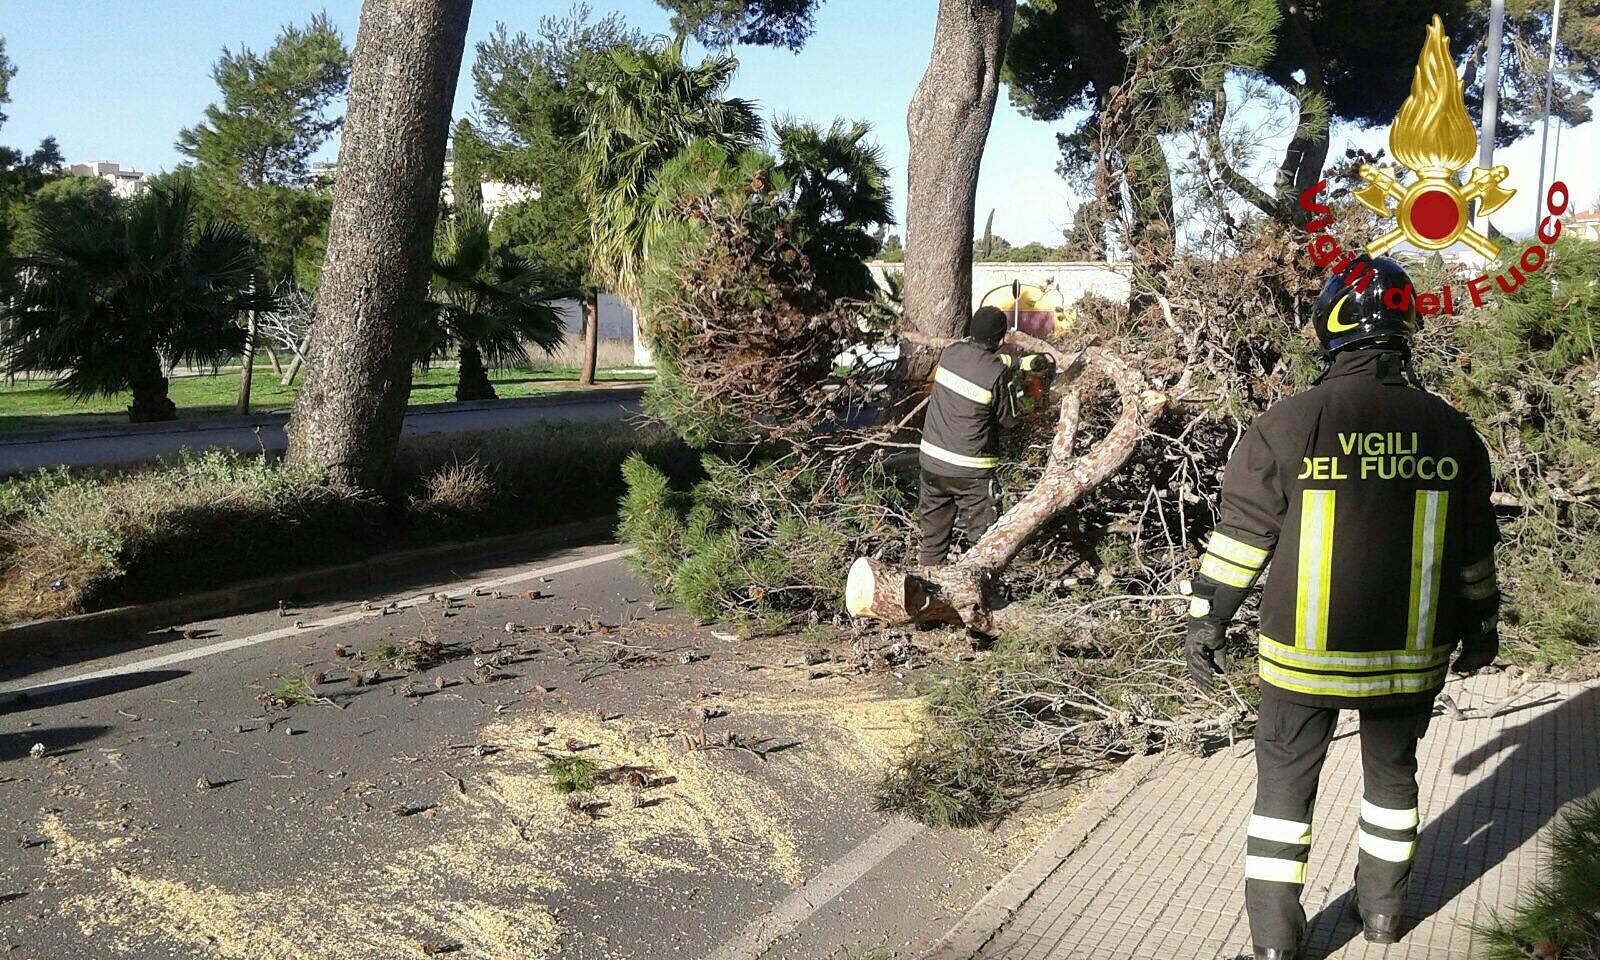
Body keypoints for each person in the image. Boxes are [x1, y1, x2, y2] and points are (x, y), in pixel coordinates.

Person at [1183, 255, 1501, 959]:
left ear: (1330, 325)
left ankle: (1274, 941)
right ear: (1406, 328)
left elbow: (1242, 538)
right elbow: (1475, 549)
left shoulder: (1288, 423)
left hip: (1302, 659)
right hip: (1410, 657)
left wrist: (1208, 619)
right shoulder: (1451, 430)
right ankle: (1384, 913)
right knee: (1392, 779)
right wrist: (1482, 624)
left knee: (1283, 795)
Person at [917, 305, 1050, 567]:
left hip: (932, 464)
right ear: (1000, 339)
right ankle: (981, 588)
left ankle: (926, 586)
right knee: (984, 544)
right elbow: (1008, 420)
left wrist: (1016, 363)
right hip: (971, 472)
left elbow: (981, 363)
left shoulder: (951, 353)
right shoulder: (996, 374)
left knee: (932, 544)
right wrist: (1026, 396)